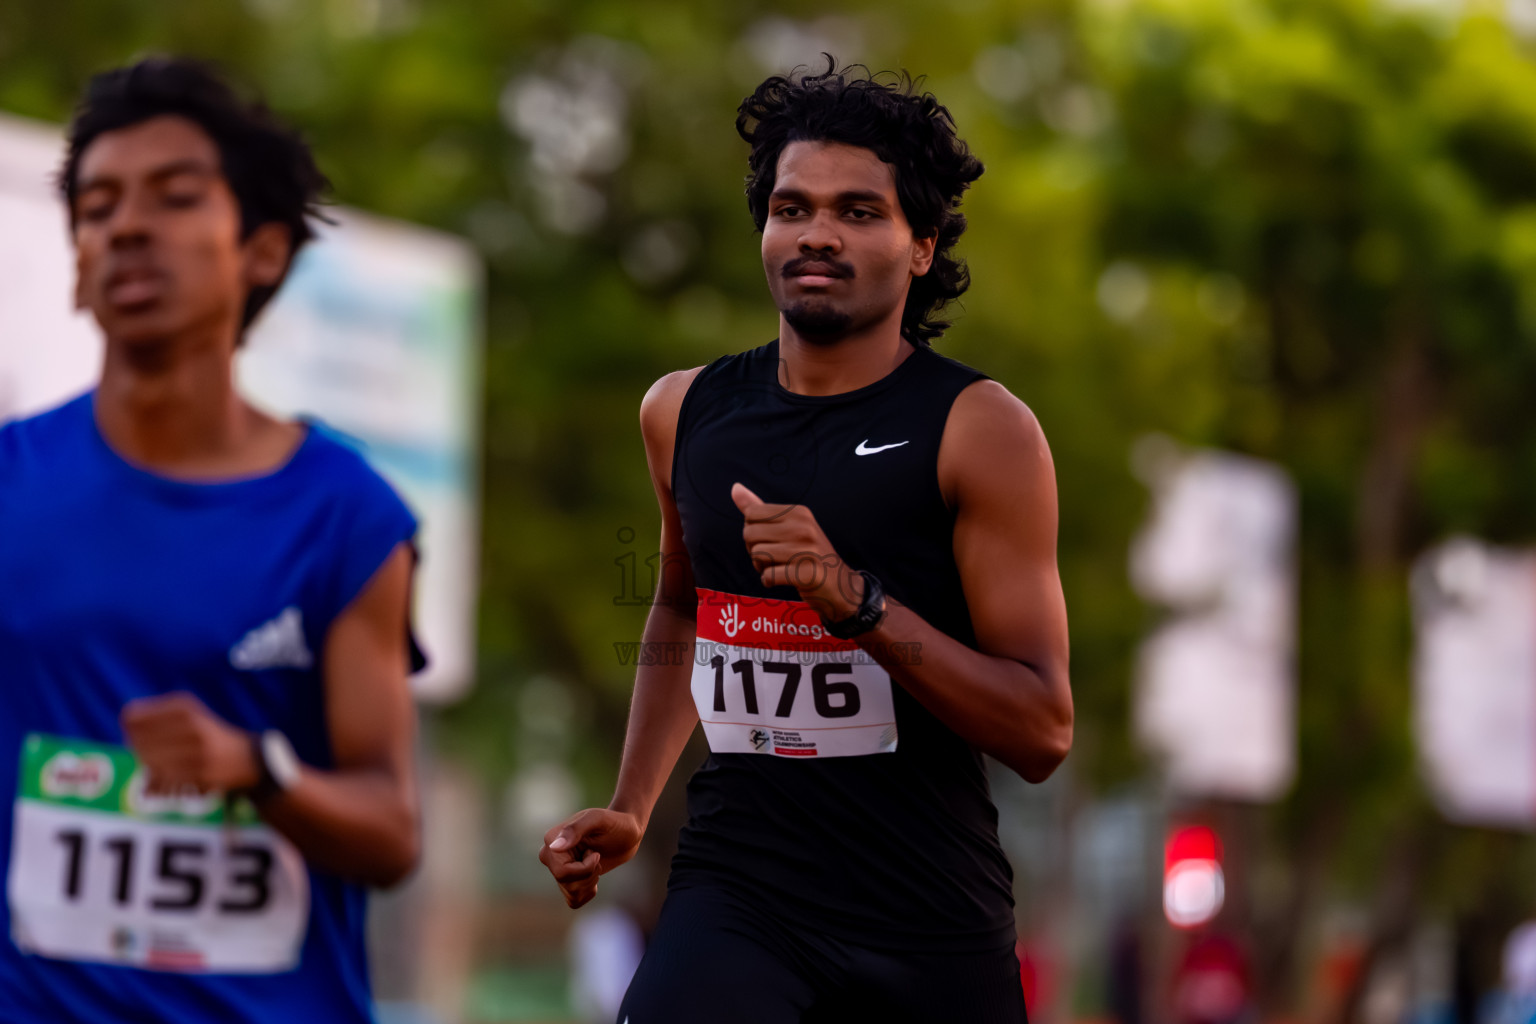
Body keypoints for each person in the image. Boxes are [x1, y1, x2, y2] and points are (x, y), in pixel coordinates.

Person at [539, 59, 1073, 1023]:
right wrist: (631, 802)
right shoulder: (684, 410)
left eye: (860, 211)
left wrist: (858, 605)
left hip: (927, 919)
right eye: (792, 207)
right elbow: (680, 604)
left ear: (923, 246)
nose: (818, 232)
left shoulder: (979, 429)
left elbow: (1041, 729)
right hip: (737, 894)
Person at [0, 57, 423, 1023]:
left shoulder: (347, 518)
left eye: (175, 198)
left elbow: (393, 832)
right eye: (98, 209)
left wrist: (260, 770)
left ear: (262, 253)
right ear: (76, 265)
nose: (128, 228)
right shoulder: (9, 483)